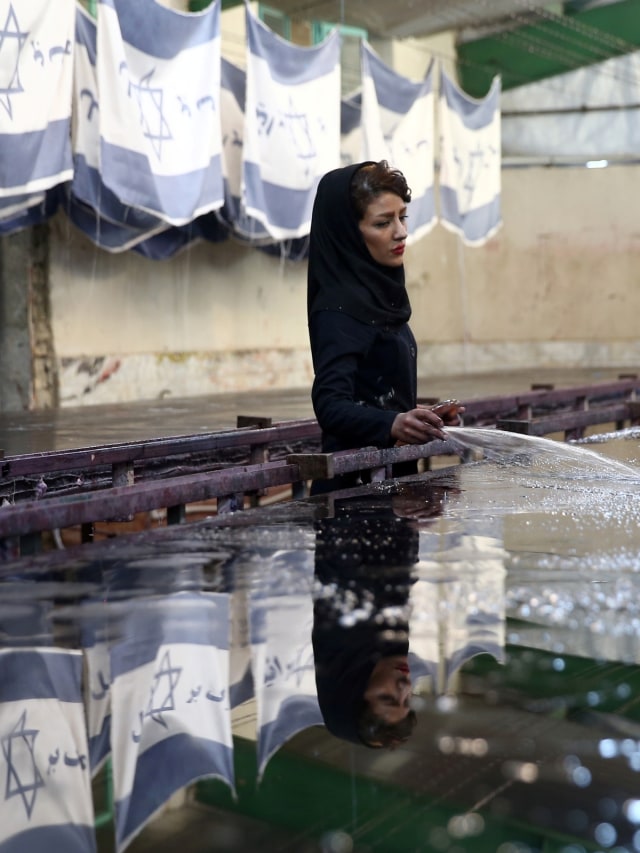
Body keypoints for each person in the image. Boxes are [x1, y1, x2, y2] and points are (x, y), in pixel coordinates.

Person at [307, 160, 463, 493]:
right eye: (383, 222)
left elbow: (369, 394)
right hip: (354, 495)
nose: (401, 232)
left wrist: (416, 417)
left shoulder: (380, 299)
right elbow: (331, 405)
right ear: (349, 233)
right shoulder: (339, 309)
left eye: (402, 217)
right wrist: (392, 423)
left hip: (390, 483)